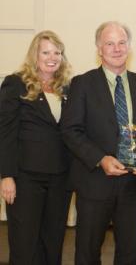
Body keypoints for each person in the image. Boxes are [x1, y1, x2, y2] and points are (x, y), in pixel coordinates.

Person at [60, 21, 136, 265]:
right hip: (94, 182)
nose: (117, 49)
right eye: (110, 43)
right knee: (87, 251)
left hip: (133, 184)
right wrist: (100, 159)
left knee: (129, 253)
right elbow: (70, 130)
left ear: (129, 46)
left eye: (122, 42)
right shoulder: (82, 84)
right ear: (99, 49)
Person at [0, 30, 72, 264]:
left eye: (57, 52)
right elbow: (6, 133)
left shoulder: (68, 88)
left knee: (53, 243)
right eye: (46, 52)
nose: (52, 57)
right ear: (35, 54)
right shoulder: (15, 83)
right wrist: (6, 176)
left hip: (60, 179)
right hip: (25, 179)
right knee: (25, 246)